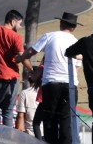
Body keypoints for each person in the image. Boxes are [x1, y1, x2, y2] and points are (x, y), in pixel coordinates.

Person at [16, 12, 83, 144]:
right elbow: (77, 67)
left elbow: (31, 51)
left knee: (50, 119)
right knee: (66, 120)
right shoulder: (76, 42)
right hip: (69, 85)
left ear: (61, 23)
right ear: (74, 27)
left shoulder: (50, 36)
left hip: (51, 83)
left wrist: (21, 58)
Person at [16, 65, 42, 136]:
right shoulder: (48, 93)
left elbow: (20, 117)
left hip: (30, 135)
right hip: (46, 135)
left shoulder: (25, 93)